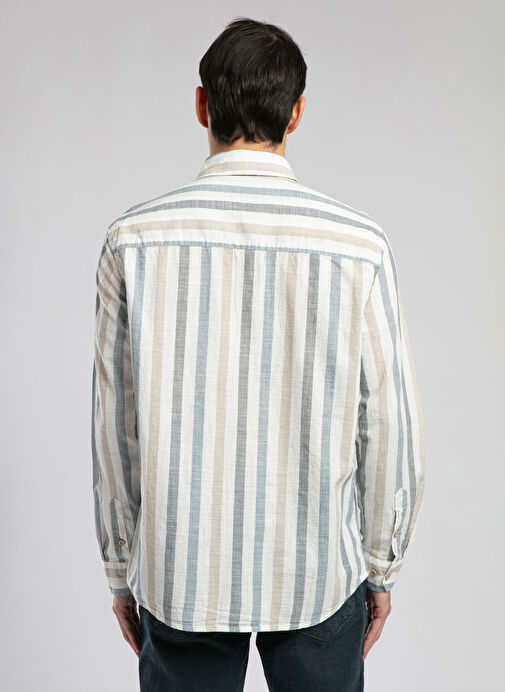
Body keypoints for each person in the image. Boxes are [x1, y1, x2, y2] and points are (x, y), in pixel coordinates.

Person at [91, 16, 425, 692]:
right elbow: (389, 424)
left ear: (201, 105)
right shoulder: (358, 245)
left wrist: (121, 567)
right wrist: (380, 564)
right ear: (296, 113)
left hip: (178, 573)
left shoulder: (133, 240)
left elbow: (115, 425)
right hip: (318, 575)